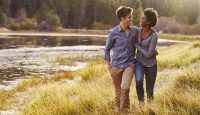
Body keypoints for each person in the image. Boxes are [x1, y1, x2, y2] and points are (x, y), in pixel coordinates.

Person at [104, 6, 138, 113]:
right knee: (118, 90)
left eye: (131, 17)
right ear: (122, 18)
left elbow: (143, 40)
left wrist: (152, 47)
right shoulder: (113, 33)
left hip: (129, 64)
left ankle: (122, 108)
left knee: (125, 87)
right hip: (116, 65)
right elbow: (107, 50)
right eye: (129, 17)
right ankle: (120, 108)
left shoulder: (135, 31)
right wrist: (109, 66)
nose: (131, 19)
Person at [132, 8, 159, 105]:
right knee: (138, 81)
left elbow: (148, 55)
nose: (140, 20)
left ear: (148, 22)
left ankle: (151, 108)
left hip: (151, 65)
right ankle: (141, 104)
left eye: (143, 19)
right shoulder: (138, 31)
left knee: (150, 89)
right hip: (139, 62)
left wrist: (136, 45)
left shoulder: (154, 36)